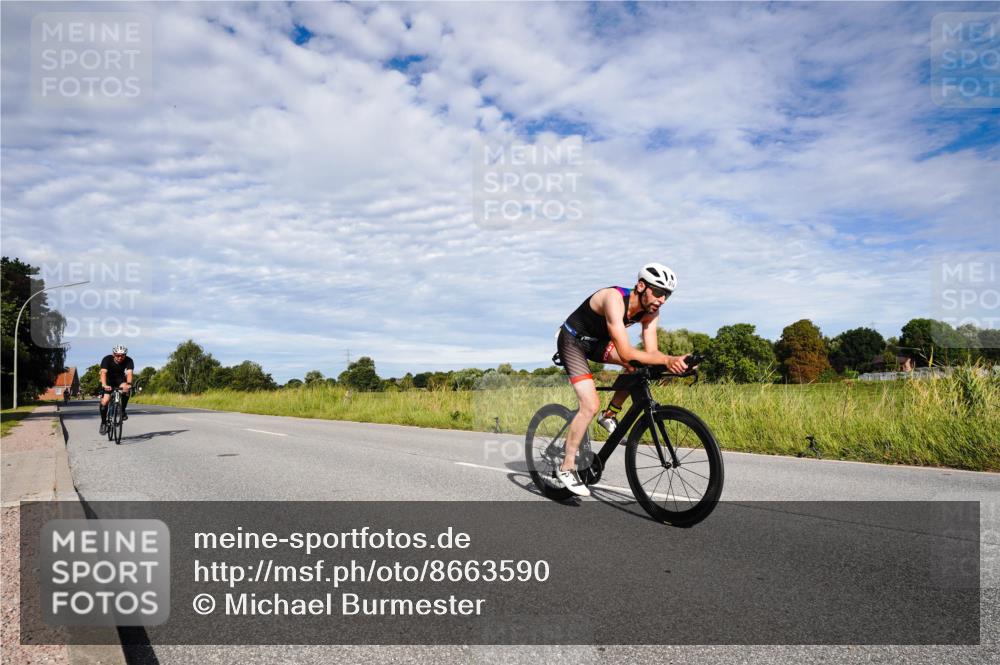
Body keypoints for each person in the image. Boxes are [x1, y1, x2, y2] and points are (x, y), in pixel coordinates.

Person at [554, 263, 689, 497]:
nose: (662, 300)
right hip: (572, 341)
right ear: (641, 286)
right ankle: (566, 467)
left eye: (666, 295)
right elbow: (625, 352)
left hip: (597, 343)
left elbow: (652, 353)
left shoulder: (651, 312)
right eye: (658, 292)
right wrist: (667, 360)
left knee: (638, 366)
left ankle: (610, 415)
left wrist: (676, 363)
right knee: (590, 405)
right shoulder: (614, 299)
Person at [99, 344, 134, 434]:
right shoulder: (107, 359)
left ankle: (122, 410)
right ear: (113, 354)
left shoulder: (129, 360)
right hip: (108, 381)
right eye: (117, 355)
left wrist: (129, 384)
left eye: (122, 355)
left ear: (125, 355)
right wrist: (104, 385)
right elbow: (103, 373)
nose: (120, 357)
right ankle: (103, 423)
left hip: (120, 380)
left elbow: (129, 373)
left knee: (126, 389)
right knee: (105, 401)